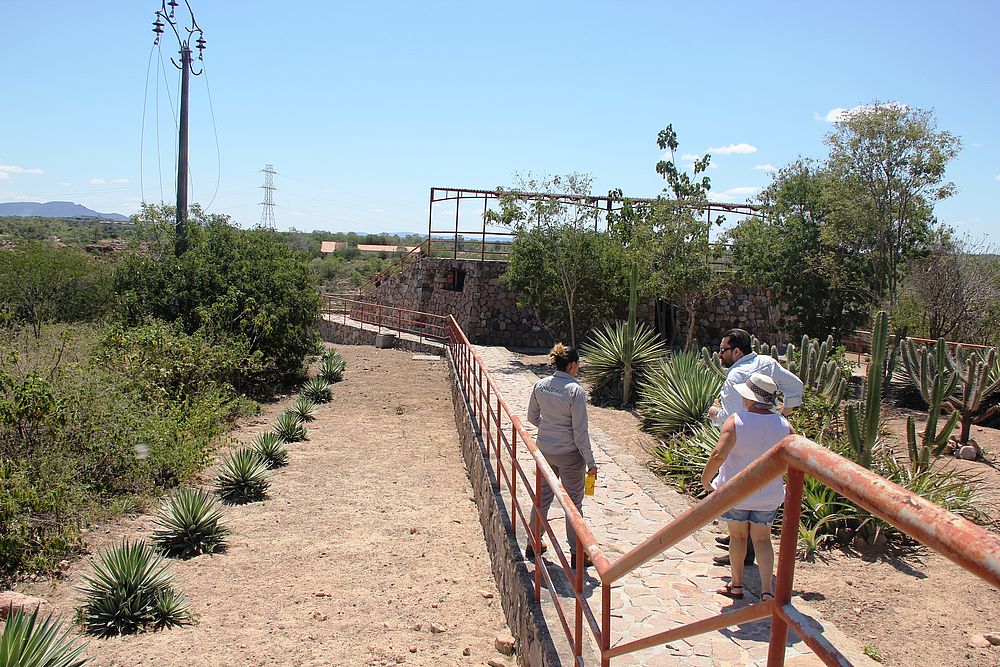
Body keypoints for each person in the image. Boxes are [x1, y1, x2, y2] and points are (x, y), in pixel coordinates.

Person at [708, 328, 803, 567]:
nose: (719, 354)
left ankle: (741, 549)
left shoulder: (735, 376)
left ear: (736, 352)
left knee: (740, 490)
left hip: (743, 438)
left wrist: (715, 415)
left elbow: (730, 416)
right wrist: (783, 415)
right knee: (759, 490)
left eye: (723, 349)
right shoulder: (768, 363)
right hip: (769, 435)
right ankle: (739, 540)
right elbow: (795, 386)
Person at [702, 372, 794, 602]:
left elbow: (718, 454)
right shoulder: (784, 426)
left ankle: (736, 585)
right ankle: (767, 591)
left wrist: (706, 479)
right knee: (762, 539)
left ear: (750, 398)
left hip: (737, 492)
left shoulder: (736, 421)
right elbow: (794, 459)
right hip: (768, 494)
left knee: (738, 537)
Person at [526, 343, 598, 569]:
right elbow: (580, 432)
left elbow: (531, 417)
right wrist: (591, 462)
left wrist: (549, 429)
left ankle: (533, 542)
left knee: (542, 497)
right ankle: (577, 554)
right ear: (573, 365)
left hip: (545, 451)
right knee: (573, 504)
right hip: (570, 455)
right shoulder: (575, 391)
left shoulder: (541, 385)